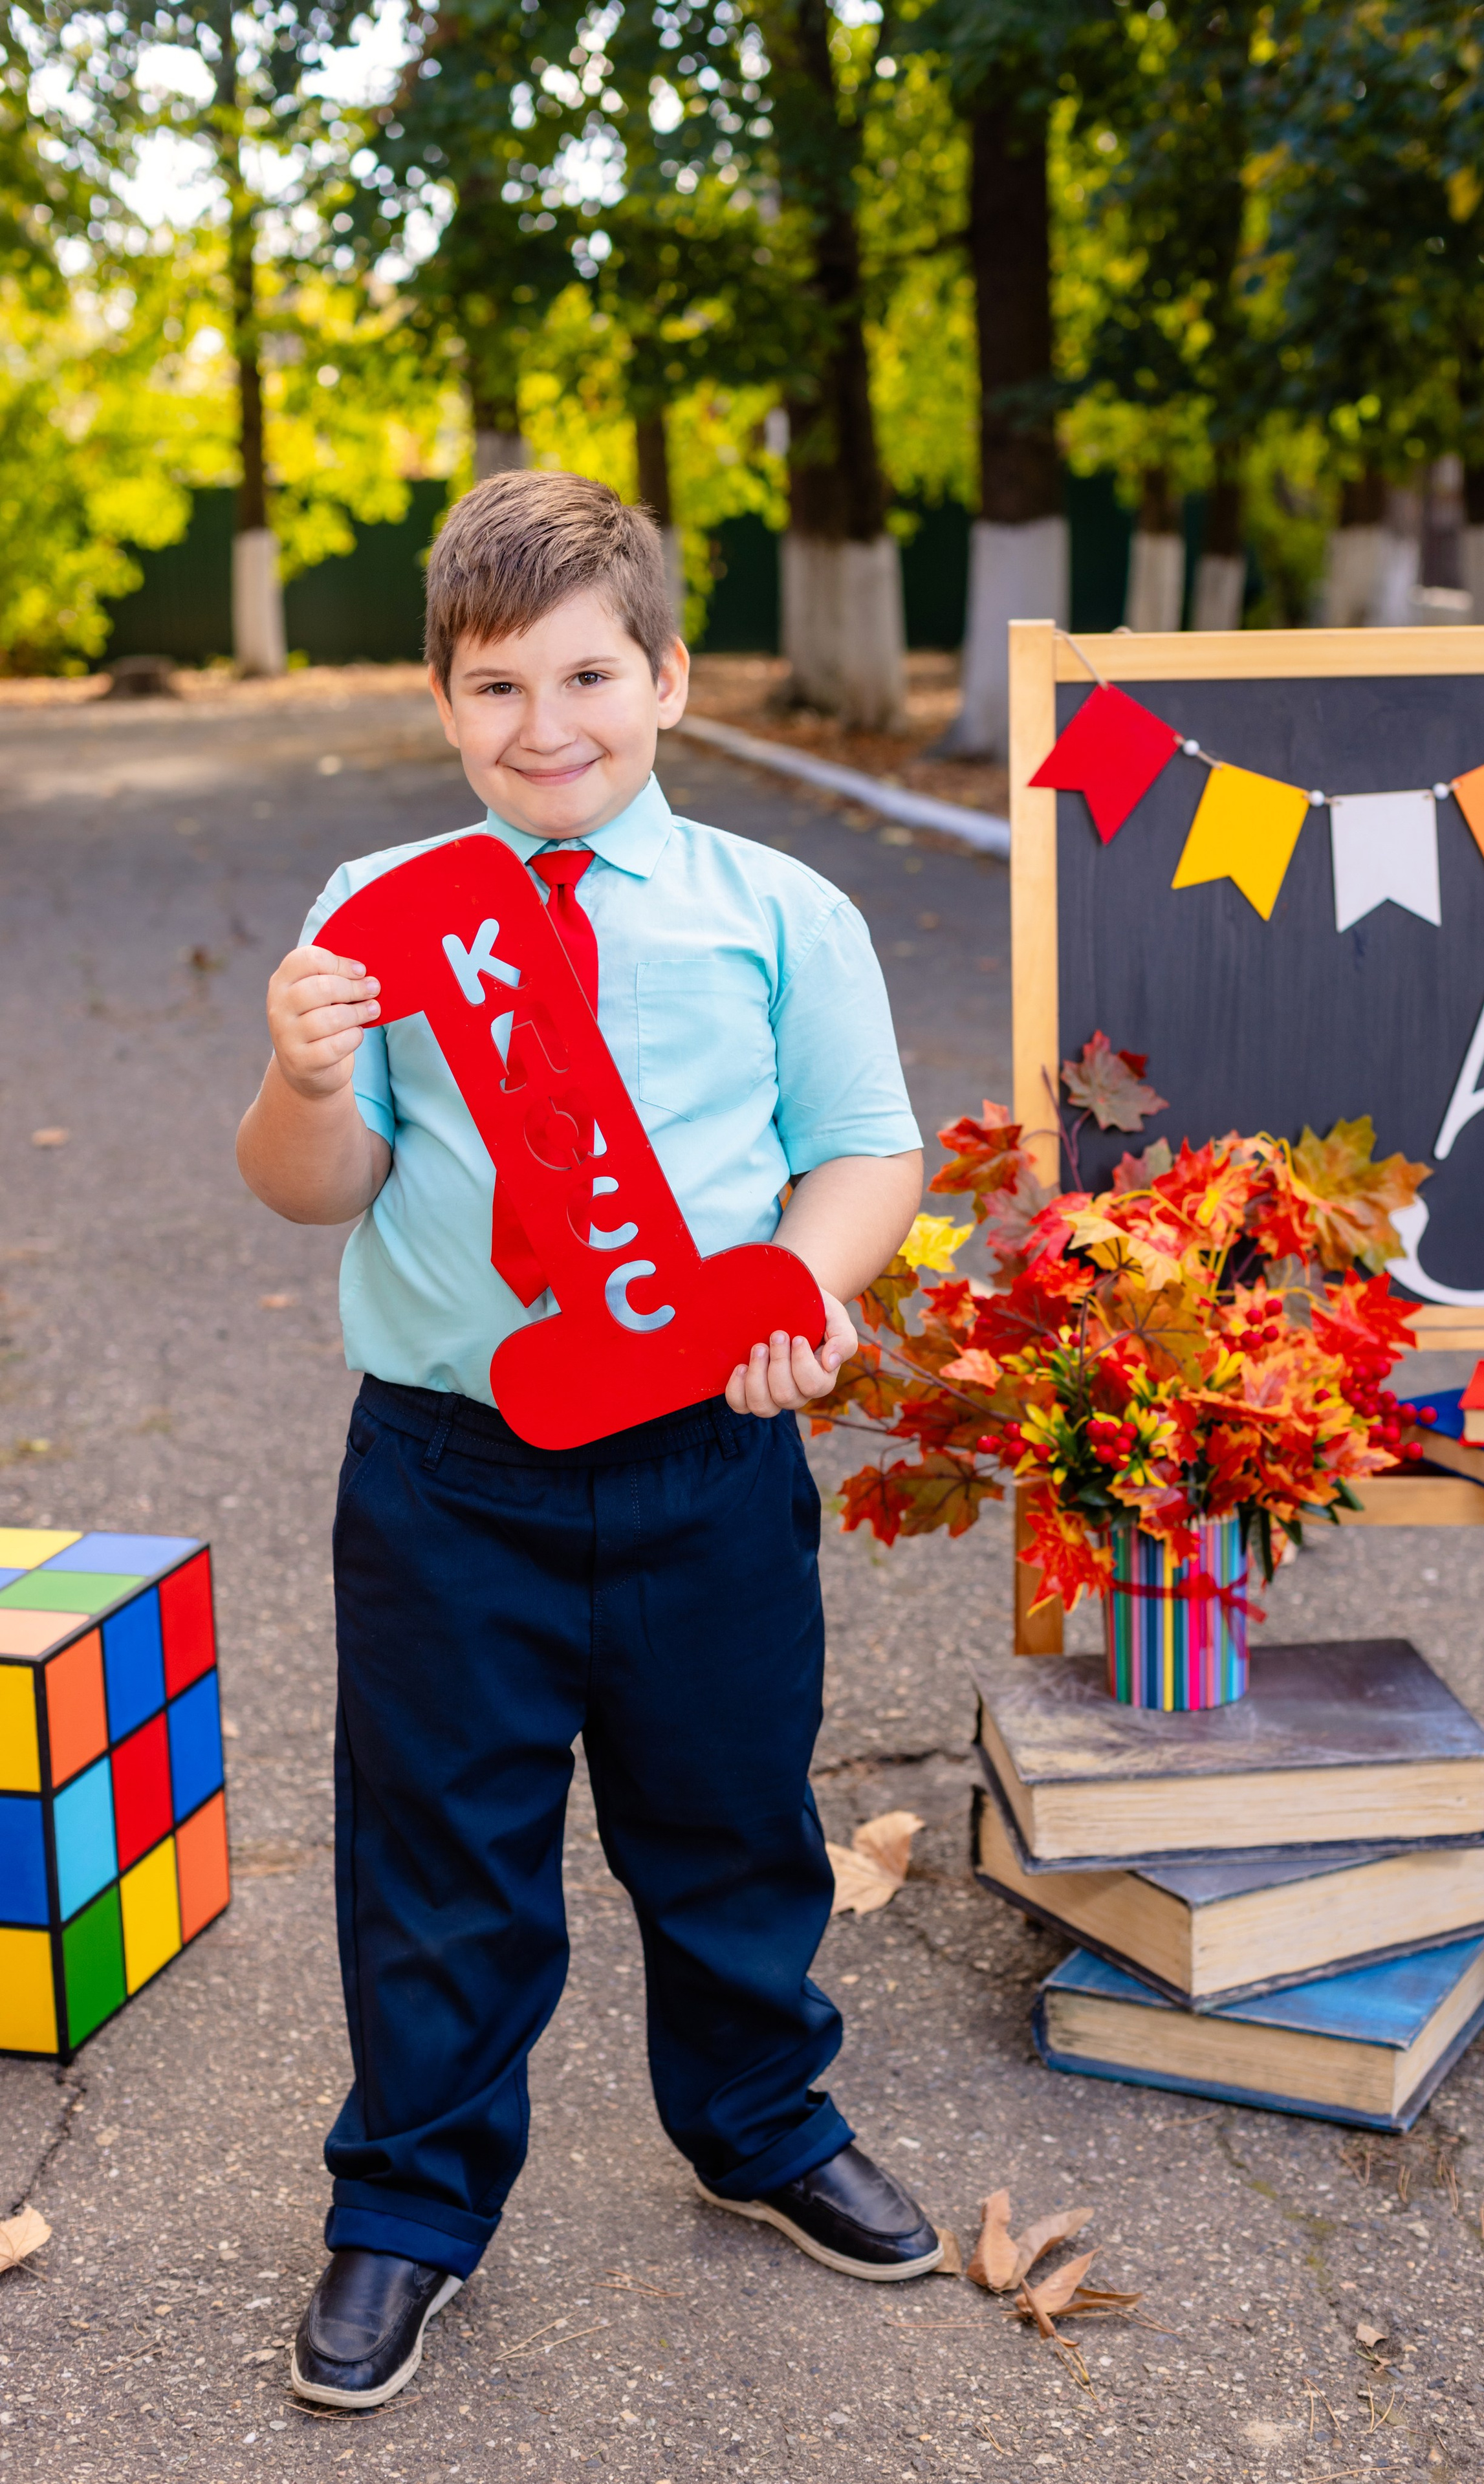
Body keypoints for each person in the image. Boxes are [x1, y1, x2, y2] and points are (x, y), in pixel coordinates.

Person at [235, 471, 935, 2413]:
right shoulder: (375, 916)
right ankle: (410, 2204)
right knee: (439, 1851)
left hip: (709, 1463)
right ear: (441, 700)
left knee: (728, 1827)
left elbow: (863, 1149)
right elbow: (317, 1184)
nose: (545, 727)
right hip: (450, 1478)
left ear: (672, 678)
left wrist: (809, 1287)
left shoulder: (779, 912)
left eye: (587, 675)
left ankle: (763, 2127)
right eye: (493, 687)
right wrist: (302, 1077)